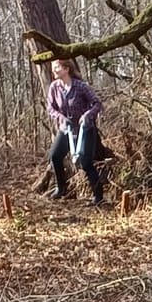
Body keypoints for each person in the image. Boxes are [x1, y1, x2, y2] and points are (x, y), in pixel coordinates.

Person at [46, 58, 106, 205]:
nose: (54, 70)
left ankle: (98, 196)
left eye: (57, 67)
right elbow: (50, 108)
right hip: (66, 129)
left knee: (85, 162)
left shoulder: (81, 86)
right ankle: (61, 188)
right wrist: (60, 117)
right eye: (53, 68)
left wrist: (87, 115)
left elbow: (97, 103)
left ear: (66, 69)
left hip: (85, 130)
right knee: (55, 155)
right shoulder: (54, 87)